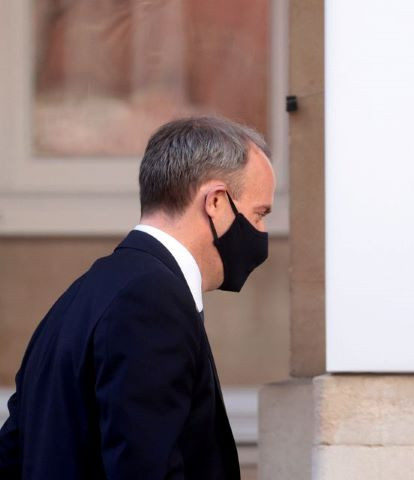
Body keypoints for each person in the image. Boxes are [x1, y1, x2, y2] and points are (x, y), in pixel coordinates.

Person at [0, 116, 275, 479]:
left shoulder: (83, 296)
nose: (262, 232)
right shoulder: (151, 302)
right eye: (259, 214)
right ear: (216, 202)